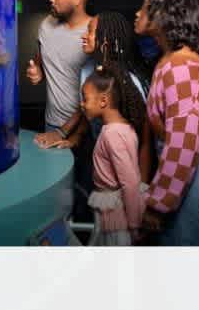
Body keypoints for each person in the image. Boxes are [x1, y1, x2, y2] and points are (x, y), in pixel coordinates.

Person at [134, 0, 199, 245]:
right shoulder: (173, 60)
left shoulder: (180, 66)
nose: (137, 13)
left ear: (164, 15)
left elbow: (185, 139)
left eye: (144, 7)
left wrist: (159, 203)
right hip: (187, 168)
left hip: (193, 167)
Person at [52, 12, 153, 183]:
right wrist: (74, 139)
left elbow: (145, 140)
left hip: (125, 158)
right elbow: (90, 110)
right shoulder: (88, 70)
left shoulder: (128, 83)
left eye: (90, 32)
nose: (84, 36)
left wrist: (142, 185)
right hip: (98, 149)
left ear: (105, 41)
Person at [80, 66, 146, 246]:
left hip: (118, 222)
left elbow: (130, 182)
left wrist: (134, 225)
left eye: (85, 99)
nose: (82, 104)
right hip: (115, 218)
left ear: (103, 101)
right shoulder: (124, 127)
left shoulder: (112, 135)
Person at [26, 0, 92, 146]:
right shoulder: (46, 25)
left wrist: (66, 133)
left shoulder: (94, 34)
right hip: (51, 123)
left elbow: (101, 94)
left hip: (86, 126)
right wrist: (38, 70)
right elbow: (42, 57)